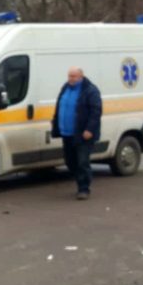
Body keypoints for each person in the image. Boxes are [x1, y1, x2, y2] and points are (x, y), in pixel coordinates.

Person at [50, 67, 103, 200]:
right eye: (69, 76)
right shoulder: (65, 88)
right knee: (70, 161)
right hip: (67, 133)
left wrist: (89, 129)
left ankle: (84, 188)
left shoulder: (90, 90)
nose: (71, 79)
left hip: (83, 134)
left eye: (73, 76)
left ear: (81, 76)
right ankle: (80, 178)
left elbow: (96, 112)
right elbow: (60, 107)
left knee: (82, 161)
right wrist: (56, 124)